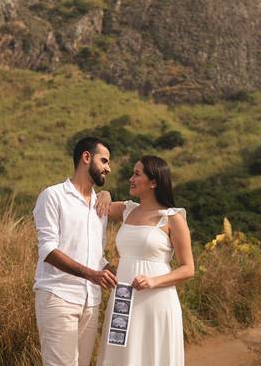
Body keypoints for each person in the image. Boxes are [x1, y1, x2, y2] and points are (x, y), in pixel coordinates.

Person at [98, 155, 194, 366]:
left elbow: (188, 269)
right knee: (120, 356)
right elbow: (95, 205)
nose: (131, 178)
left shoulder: (172, 218)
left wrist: (153, 282)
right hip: (123, 297)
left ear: (154, 182)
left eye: (137, 174)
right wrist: (104, 192)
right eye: (133, 173)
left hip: (156, 300)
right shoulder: (128, 210)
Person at [32, 137, 116, 366]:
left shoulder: (100, 204)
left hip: (91, 301)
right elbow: (48, 250)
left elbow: (97, 255)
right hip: (58, 296)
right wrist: (92, 274)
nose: (109, 168)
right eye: (104, 160)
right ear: (86, 157)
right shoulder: (53, 196)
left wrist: (113, 271)